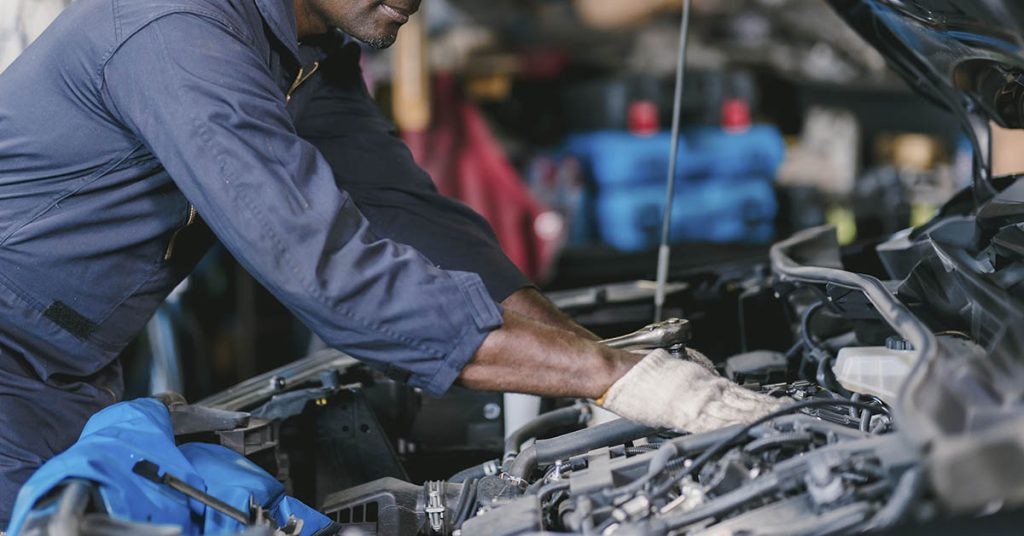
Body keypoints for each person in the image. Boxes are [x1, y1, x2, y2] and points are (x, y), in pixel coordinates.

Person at [0, 0, 785, 525]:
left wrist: (610, 362)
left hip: (62, 369)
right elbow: (333, 272)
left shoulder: (307, 50)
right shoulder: (179, 31)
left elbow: (414, 220)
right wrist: (609, 378)